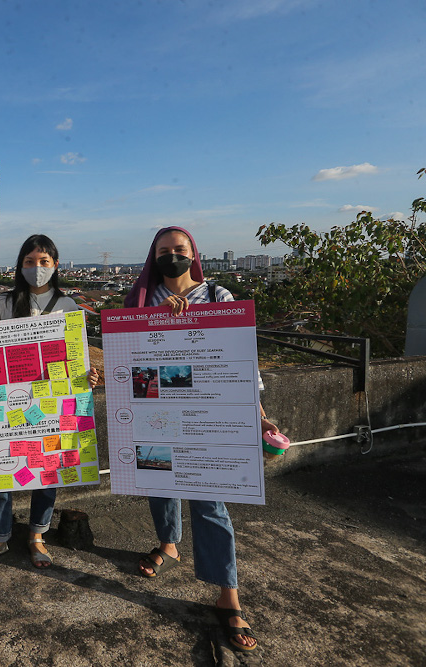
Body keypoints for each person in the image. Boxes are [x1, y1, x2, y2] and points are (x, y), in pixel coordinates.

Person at [123, 226, 282, 652]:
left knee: (209, 501)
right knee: (159, 482)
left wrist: (259, 416)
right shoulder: (141, 300)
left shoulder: (217, 297)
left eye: (179, 250)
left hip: (205, 409)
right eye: (163, 250)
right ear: (152, 255)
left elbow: (238, 357)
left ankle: (228, 594)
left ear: (193, 254)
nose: (171, 256)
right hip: (156, 406)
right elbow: (130, 355)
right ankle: (169, 545)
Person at [0, 234, 99, 569]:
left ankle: (37, 534)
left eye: (43, 262)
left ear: (55, 265)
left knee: (48, 468)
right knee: (1, 465)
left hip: (51, 402)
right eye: (29, 261)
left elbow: (75, 359)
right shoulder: (2, 304)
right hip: (6, 401)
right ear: (19, 265)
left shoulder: (68, 306)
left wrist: (87, 377)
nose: (36, 268)